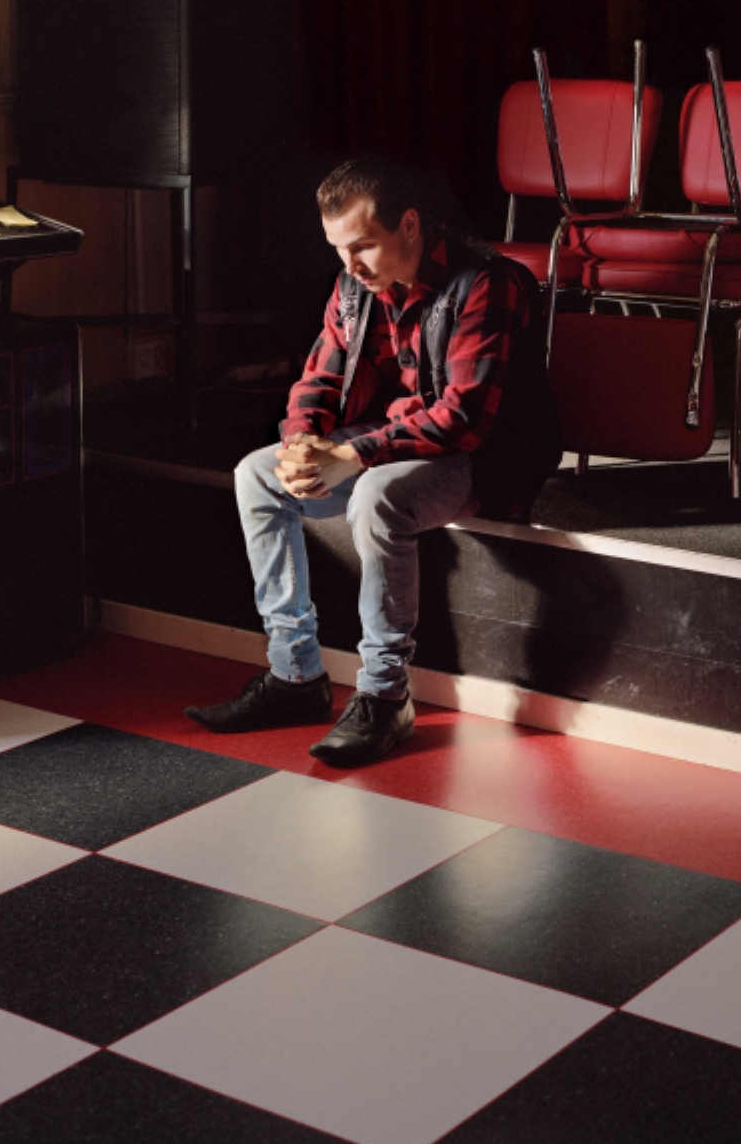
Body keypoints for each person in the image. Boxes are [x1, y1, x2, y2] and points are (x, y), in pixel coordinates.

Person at [186, 156, 561, 767]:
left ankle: (385, 697)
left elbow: (464, 418)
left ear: (409, 225)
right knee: (257, 474)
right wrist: (302, 442)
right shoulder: (354, 286)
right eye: (338, 249)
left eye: (362, 245)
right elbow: (321, 379)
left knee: (376, 495)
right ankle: (294, 676)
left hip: (481, 456)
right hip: (397, 437)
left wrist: (352, 455)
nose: (349, 264)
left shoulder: (488, 282)